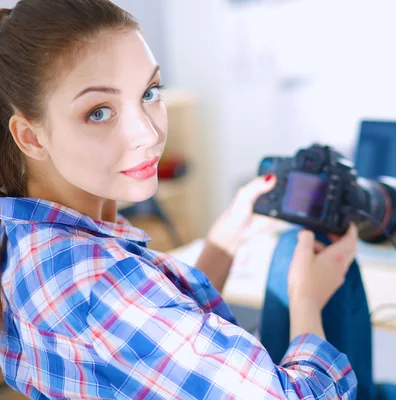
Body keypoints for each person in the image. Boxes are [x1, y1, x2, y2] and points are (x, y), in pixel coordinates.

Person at [0, 1, 360, 398]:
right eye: (99, 112)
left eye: (150, 92)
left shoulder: (26, 238)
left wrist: (225, 240)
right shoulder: (100, 282)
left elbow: (162, 340)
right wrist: (306, 299)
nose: (148, 133)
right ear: (30, 136)